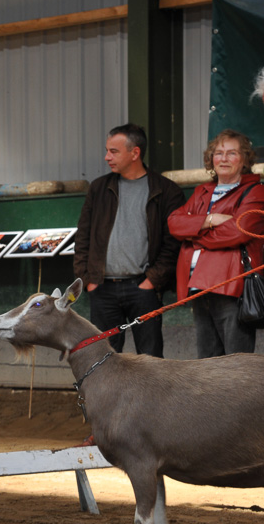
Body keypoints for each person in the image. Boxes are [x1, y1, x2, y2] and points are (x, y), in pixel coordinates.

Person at [73, 123, 186, 357]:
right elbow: (82, 237)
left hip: (143, 288)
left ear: (135, 153)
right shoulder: (98, 188)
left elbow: (173, 243)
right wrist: (88, 279)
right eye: (107, 150)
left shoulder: (166, 190)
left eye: (113, 151)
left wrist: (152, 281)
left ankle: (152, 397)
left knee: (151, 359)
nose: (106, 157)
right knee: (102, 360)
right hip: (102, 288)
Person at [168, 129, 264, 358]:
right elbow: (173, 223)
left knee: (235, 365)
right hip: (198, 288)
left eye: (232, 153)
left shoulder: (256, 191)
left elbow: (238, 231)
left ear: (244, 160)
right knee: (207, 365)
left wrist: (194, 233)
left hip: (231, 287)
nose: (224, 158)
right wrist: (210, 220)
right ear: (211, 158)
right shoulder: (203, 190)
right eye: (219, 153)